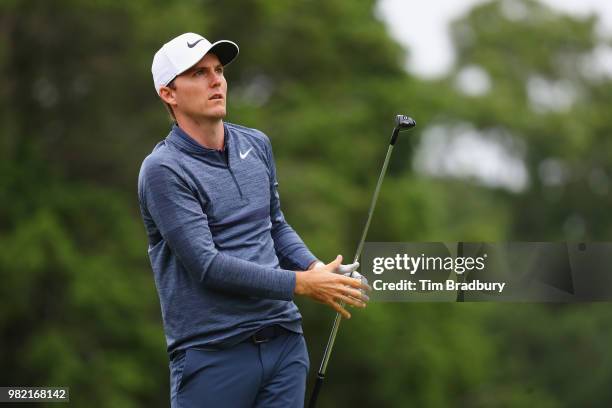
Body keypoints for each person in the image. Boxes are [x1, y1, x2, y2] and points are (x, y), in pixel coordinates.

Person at [137, 32, 370, 408]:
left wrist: (316, 268)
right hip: (213, 354)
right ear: (169, 93)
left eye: (218, 71)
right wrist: (302, 283)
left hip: (283, 344)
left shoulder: (256, 144)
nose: (215, 81)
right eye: (198, 73)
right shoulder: (163, 169)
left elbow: (275, 225)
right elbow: (207, 265)